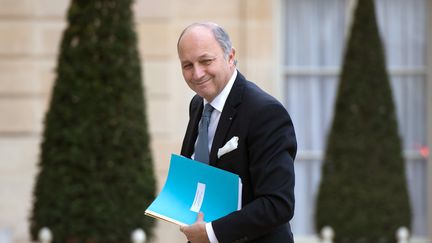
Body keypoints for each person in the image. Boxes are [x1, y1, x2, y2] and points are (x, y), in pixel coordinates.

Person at [177, 22, 297, 243]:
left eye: (205, 61)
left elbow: (278, 204)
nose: (197, 73)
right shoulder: (198, 105)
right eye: (187, 65)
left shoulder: (266, 112)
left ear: (230, 56)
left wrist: (211, 234)